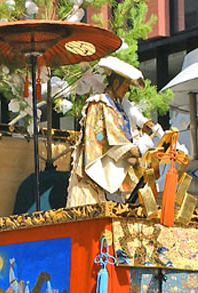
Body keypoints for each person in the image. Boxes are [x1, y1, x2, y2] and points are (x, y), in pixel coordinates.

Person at [67, 56, 161, 207]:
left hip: (116, 176)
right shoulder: (99, 104)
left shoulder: (118, 108)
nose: (127, 91)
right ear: (116, 83)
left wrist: (143, 142)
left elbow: (126, 135)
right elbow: (105, 138)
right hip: (97, 179)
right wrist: (135, 149)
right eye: (126, 86)